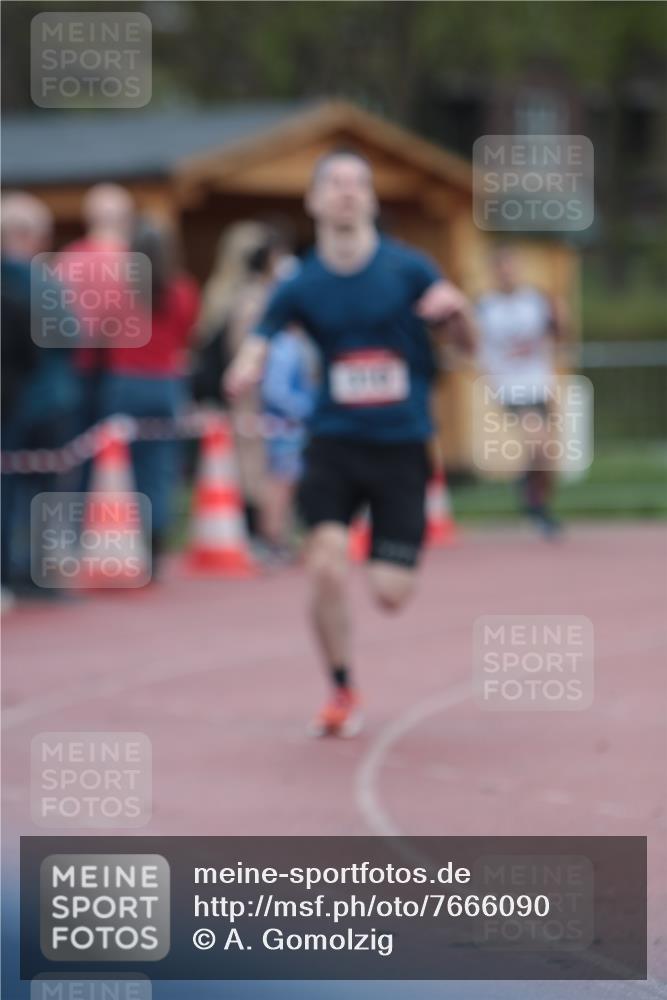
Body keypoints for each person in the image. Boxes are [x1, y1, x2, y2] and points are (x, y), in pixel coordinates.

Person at [225, 150, 474, 737]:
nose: (346, 192)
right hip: (334, 443)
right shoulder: (301, 283)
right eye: (334, 183)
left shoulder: (410, 269)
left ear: (371, 200)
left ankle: (382, 550)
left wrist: (457, 314)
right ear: (313, 201)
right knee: (326, 567)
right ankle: (341, 687)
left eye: (357, 183)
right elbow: (260, 337)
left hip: (402, 444)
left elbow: (466, 346)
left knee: (390, 593)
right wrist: (244, 366)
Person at [100, 218, 200, 574]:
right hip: (165, 384)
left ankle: (122, 541)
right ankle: (155, 545)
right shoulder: (183, 290)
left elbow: (102, 332)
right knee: (160, 469)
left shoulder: (118, 290)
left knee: (118, 467)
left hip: (125, 382)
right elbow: (188, 333)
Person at [1, 192, 80, 598]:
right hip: (43, 398)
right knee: (45, 488)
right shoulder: (37, 278)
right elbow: (70, 332)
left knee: (10, 488)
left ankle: (14, 572)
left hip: (19, 398)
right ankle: (37, 574)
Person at [198, 222, 289, 540]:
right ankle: (260, 532)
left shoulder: (221, 294)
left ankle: (260, 529)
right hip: (251, 395)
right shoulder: (253, 298)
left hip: (240, 395)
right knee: (254, 462)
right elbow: (245, 349)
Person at [476, 245, 568, 537]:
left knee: (548, 453)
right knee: (538, 441)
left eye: (511, 268)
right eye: (501, 269)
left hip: (539, 383)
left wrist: (562, 317)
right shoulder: (484, 306)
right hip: (509, 386)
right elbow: (468, 342)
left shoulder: (536, 301)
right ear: (494, 273)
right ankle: (535, 503)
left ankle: (536, 500)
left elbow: (561, 334)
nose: (507, 274)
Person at [260, 323, 317, 561]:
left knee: (293, 484)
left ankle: (288, 538)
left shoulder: (301, 343)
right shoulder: (284, 346)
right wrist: (304, 409)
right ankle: (274, 540)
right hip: (287, 426)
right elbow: (274, 389)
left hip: (298, 425)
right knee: (282, 483)